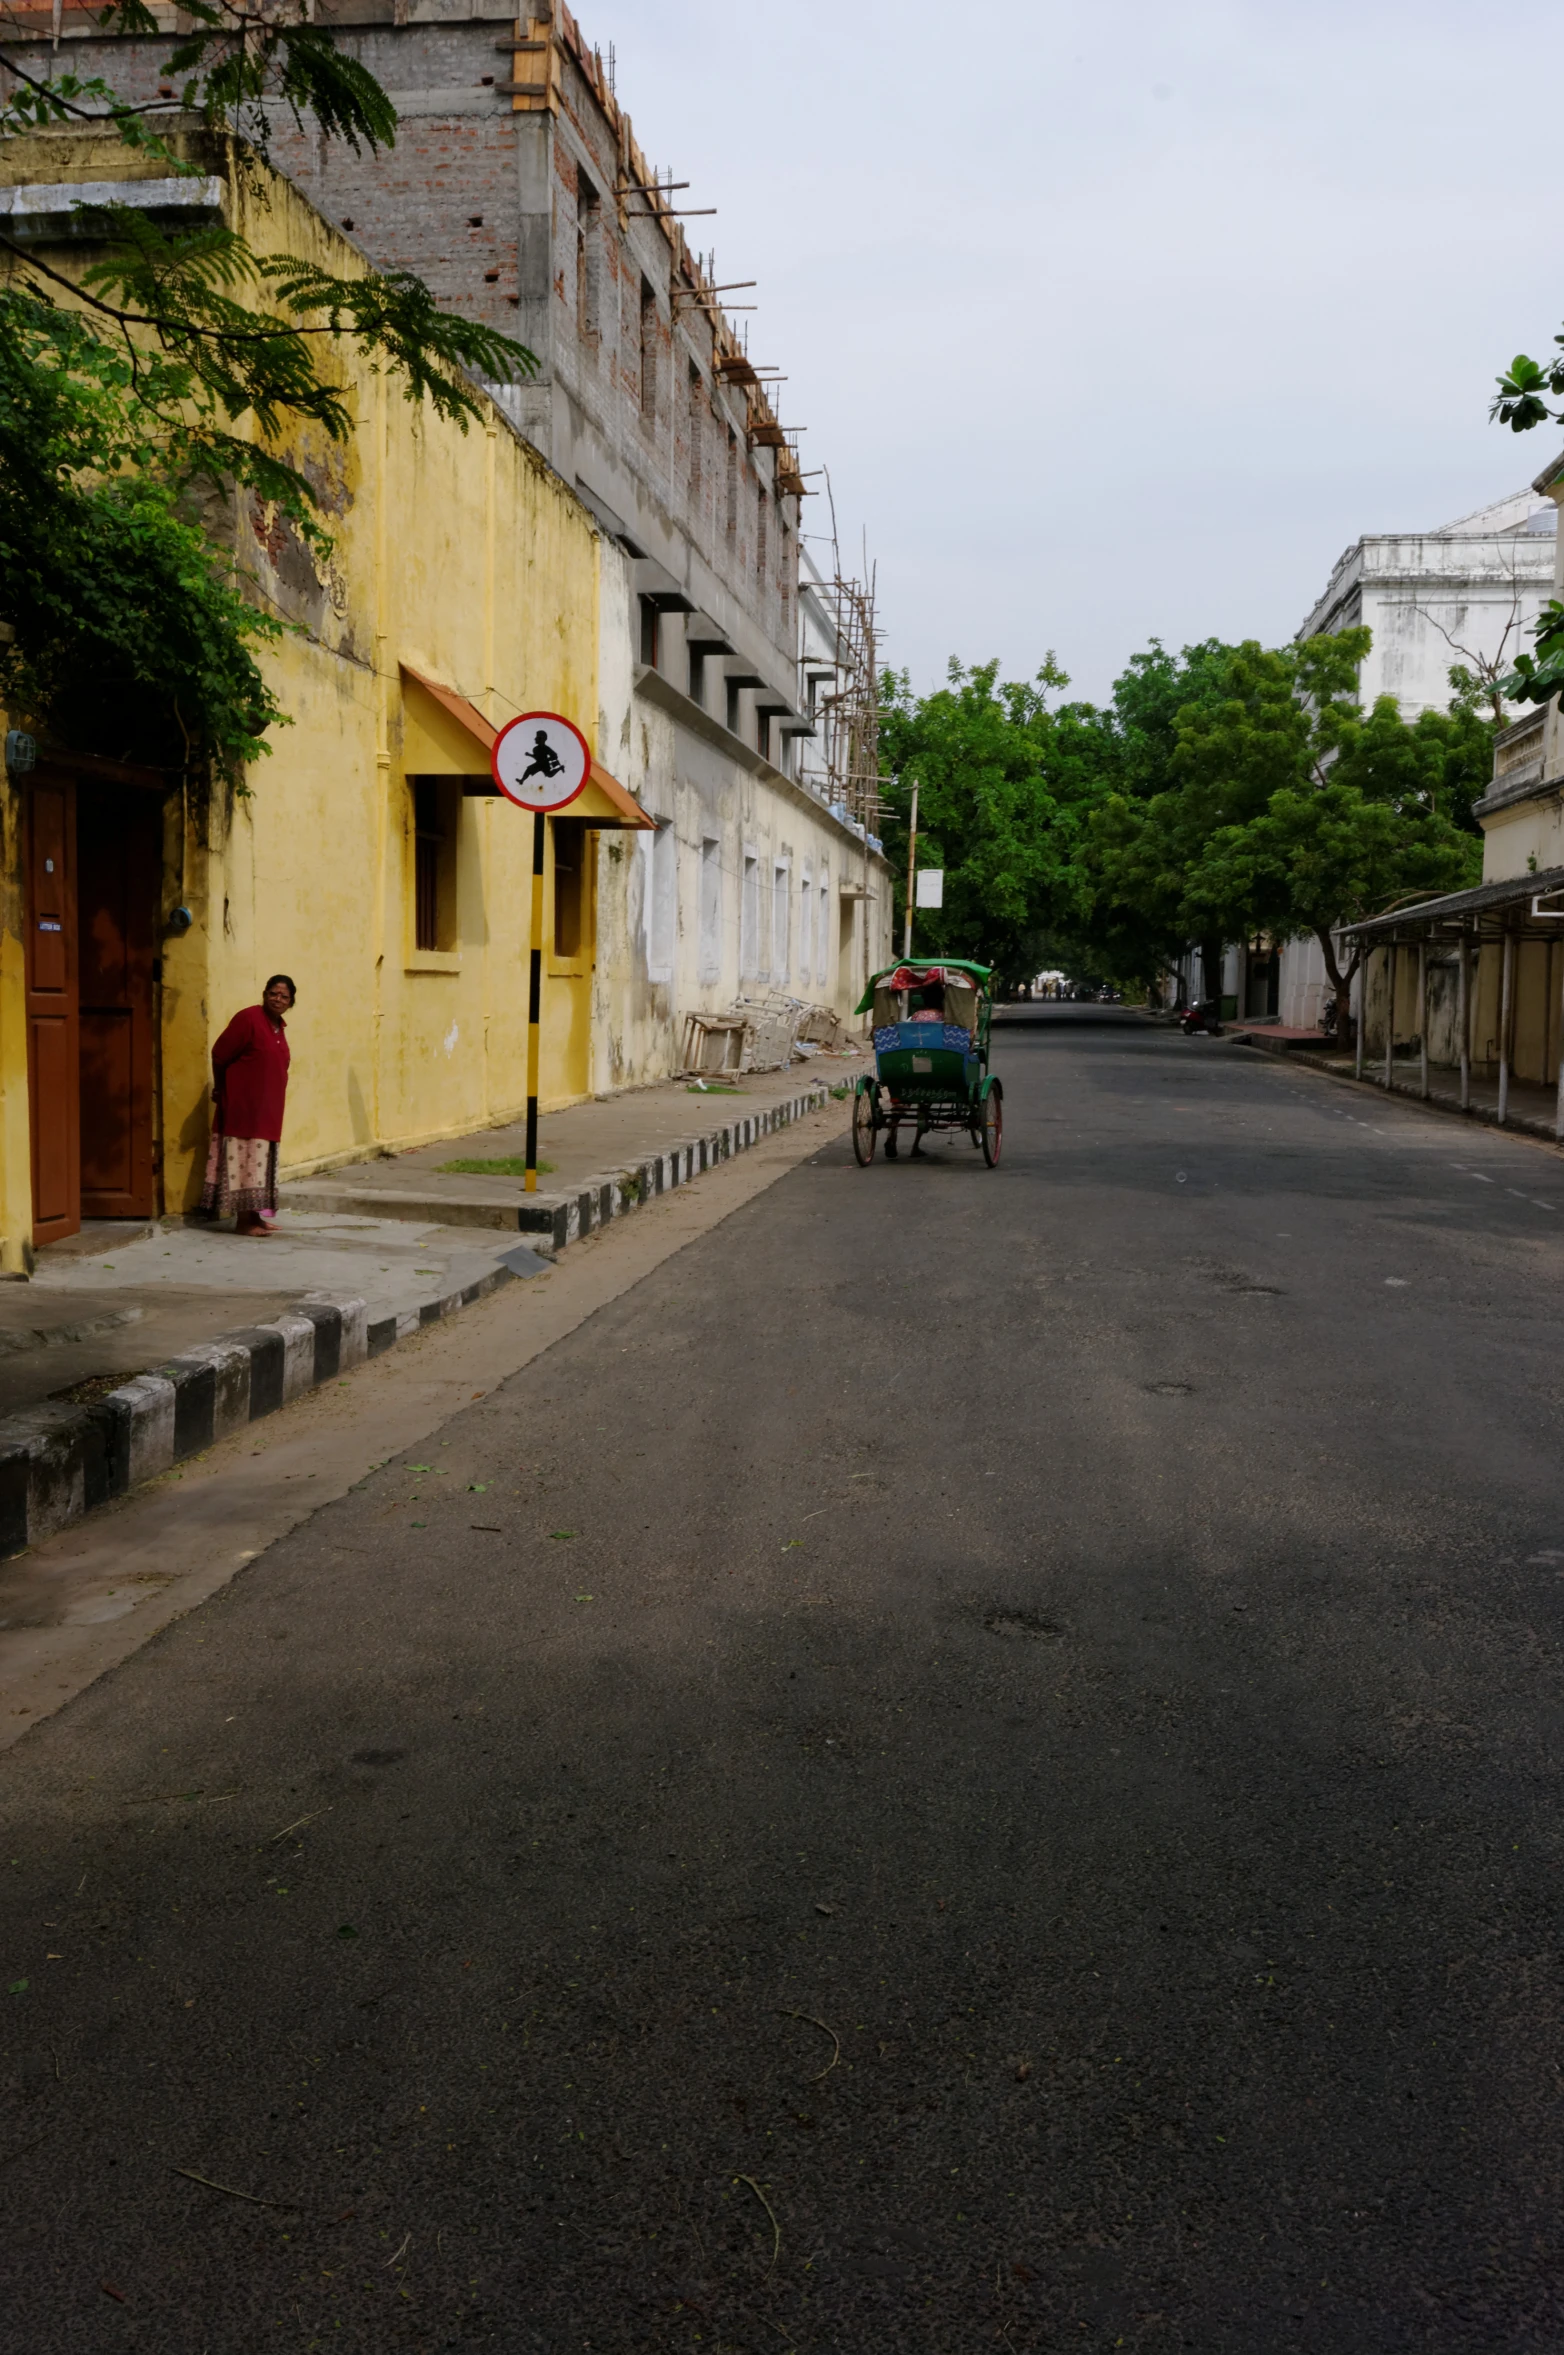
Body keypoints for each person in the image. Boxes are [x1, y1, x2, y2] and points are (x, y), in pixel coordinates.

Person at [199, 975, 295, 1236]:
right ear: (264, 994)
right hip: (244, 1109)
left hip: (268, 1112)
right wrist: (221, 1087)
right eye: (273, 993)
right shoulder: (249, 1019)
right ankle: (243, 1222)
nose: (278, 999)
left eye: (284, 997)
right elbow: (220, 1053)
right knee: (244, 1159)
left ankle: (256, 1218)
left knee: (259, 1163)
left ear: (291, 1003)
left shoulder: (278, 1027)